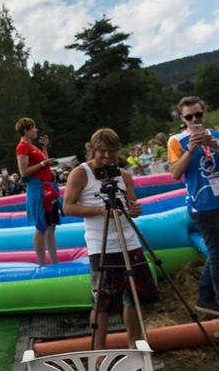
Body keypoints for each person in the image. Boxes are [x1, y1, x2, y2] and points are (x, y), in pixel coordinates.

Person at [63, 128, 159, 352]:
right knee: (102, 304)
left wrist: (135, 208)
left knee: (136, 297)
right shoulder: (81, 173)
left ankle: (134, 345)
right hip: (102, 245)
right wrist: (100, 210)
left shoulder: (124, 175)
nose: (107, 156)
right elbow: (67, 207)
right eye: (102, 151)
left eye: (112, 152)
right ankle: (99, 354)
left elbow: (132, 206)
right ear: (93, 150)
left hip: (130, 241)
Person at [168, 96, 219, 318]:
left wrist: (216, 147)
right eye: (189, 117)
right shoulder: (176, 141)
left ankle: (205, 298)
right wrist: (190, 150)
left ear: (205, 112)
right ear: (182, 119)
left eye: (198, 114)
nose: (194, 120)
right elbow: (175, 174)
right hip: (202, 205)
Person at [15, 118, 60, 265]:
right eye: (33, 128)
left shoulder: (32, 147)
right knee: (42, 226)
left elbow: (44, 163)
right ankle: (42, 263)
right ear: (26, 130)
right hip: (39, 189)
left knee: (51, 225)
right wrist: (42, 164)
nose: (36, 131)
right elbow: (24, 172)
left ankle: (54, 261)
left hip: (47, 188)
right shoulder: (22, 147)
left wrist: (45, 148)